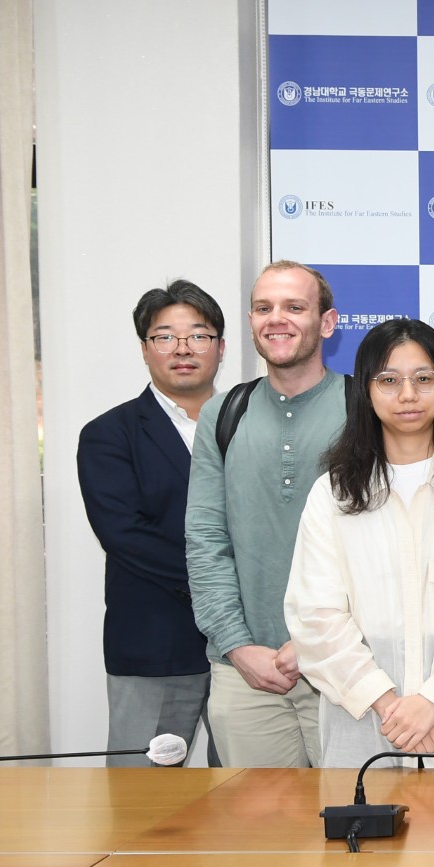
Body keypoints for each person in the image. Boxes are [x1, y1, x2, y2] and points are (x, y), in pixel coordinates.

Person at [284, 319, 434, 768]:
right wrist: (387, 703)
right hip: (364, 722)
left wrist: (433, 700)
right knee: (364, 815)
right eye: (389, 380)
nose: (408, 395)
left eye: (424, 379)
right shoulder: (333, 493)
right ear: (366, 391)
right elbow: (314, 613)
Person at [187, 260, 345, 767]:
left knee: (359, 813)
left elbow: (385, 547)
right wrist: (236, 646)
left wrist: (317, 643)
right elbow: (206, 539)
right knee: (257, 820)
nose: (277, 319)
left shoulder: (368, 408)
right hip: (245, 673)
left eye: (294, 307)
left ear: (327, 322)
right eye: (263, 308)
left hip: (348, 667)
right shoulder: (222, 413)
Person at [79, 280, 227, 764]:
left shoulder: (250, 423)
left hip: (253, 651)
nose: (183, 349)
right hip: (157, 645)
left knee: (258, 790)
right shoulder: (109, 434)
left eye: (198, 335)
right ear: (145, 349)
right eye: (165, 337)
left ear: (221, 347)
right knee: (142, 792)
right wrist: (226, 588)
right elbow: (125, 535)